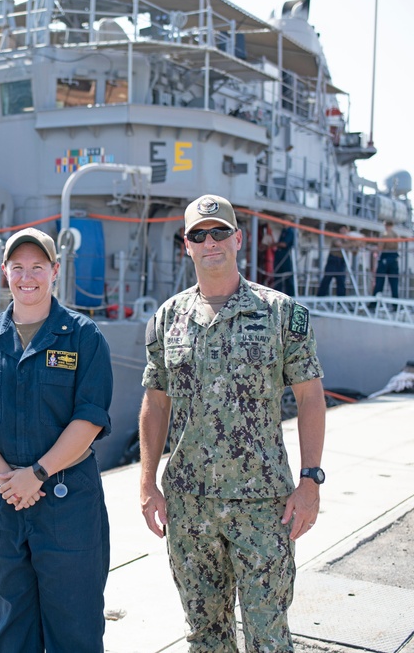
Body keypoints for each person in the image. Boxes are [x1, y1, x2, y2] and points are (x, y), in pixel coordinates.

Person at [138, 195, 327, 652]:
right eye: (199, 235)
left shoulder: (282, 313)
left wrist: (310, 480)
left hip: (263, 506)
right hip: (189, 507)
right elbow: (155, 403)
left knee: (268, 636)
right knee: (206, 637)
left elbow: (310, 398)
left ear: (238, 239)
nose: (210, 243)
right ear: (187, 246)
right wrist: (147, 483)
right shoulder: (168, 319)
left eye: (219, 232)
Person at [0, 227, 114, 653]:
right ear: (4, 271)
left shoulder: (83, 337)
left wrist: (38, 474)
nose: (28, 277)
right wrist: (10, 478)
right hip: (3, 502)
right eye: (18, 267)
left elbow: (90, 418)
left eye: (38, 267)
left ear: (55, 271)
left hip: (68, 504)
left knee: (75, 628)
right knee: (9, 628)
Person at [317, 225, 353, 297]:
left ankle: (341, 299)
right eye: (343, 229)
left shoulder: (348, 240)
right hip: (333, 260)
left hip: (342, 261)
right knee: (327, 279)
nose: (344, 231)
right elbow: (339, 245)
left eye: (346, 230)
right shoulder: (336, 237)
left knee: (341, 281)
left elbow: (354, 251)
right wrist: (352, 243)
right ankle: (320, 296)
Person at [372, 220, 400, 300]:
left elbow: (380, 247)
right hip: (394, 258)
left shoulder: (385, 234)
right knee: (394, 283)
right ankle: (395, 304)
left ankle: (374, 302)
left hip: (385, 257)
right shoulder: (396, 235)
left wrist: (372, 248)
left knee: (379, 281)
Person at [272, 217, 297, 296]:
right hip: (280, 255)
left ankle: (291, 295)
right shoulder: (284, 231)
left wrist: (273, 244)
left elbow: (284, 244)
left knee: (287, 276)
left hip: (285, 256)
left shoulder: (290, 231)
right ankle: (277, 294)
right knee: (278, 276)